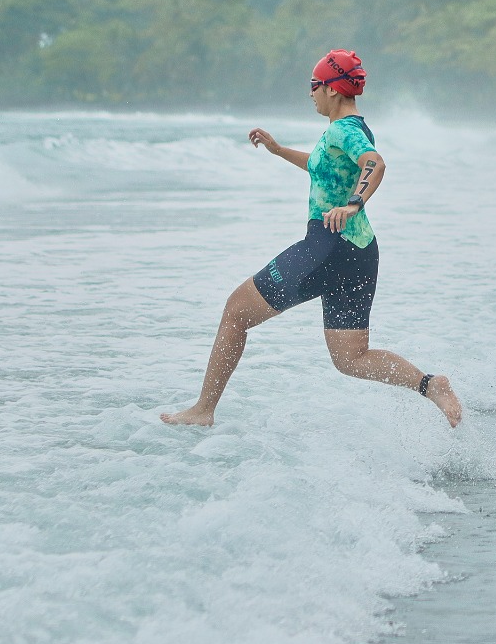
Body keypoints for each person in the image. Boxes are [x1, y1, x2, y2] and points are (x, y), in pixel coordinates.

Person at [162, 49, 462, 428]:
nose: (310, 94)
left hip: (327, 246)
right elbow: (323, 168)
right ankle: (430, 385)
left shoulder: (343, 130)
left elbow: (375, 163)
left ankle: (203, 410)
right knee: (351, 358)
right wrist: (278, 150)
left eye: (313, 85)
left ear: (332, 89)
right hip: (360, 251)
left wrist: (353, 204)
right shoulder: (352, 128)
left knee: (235, 312)